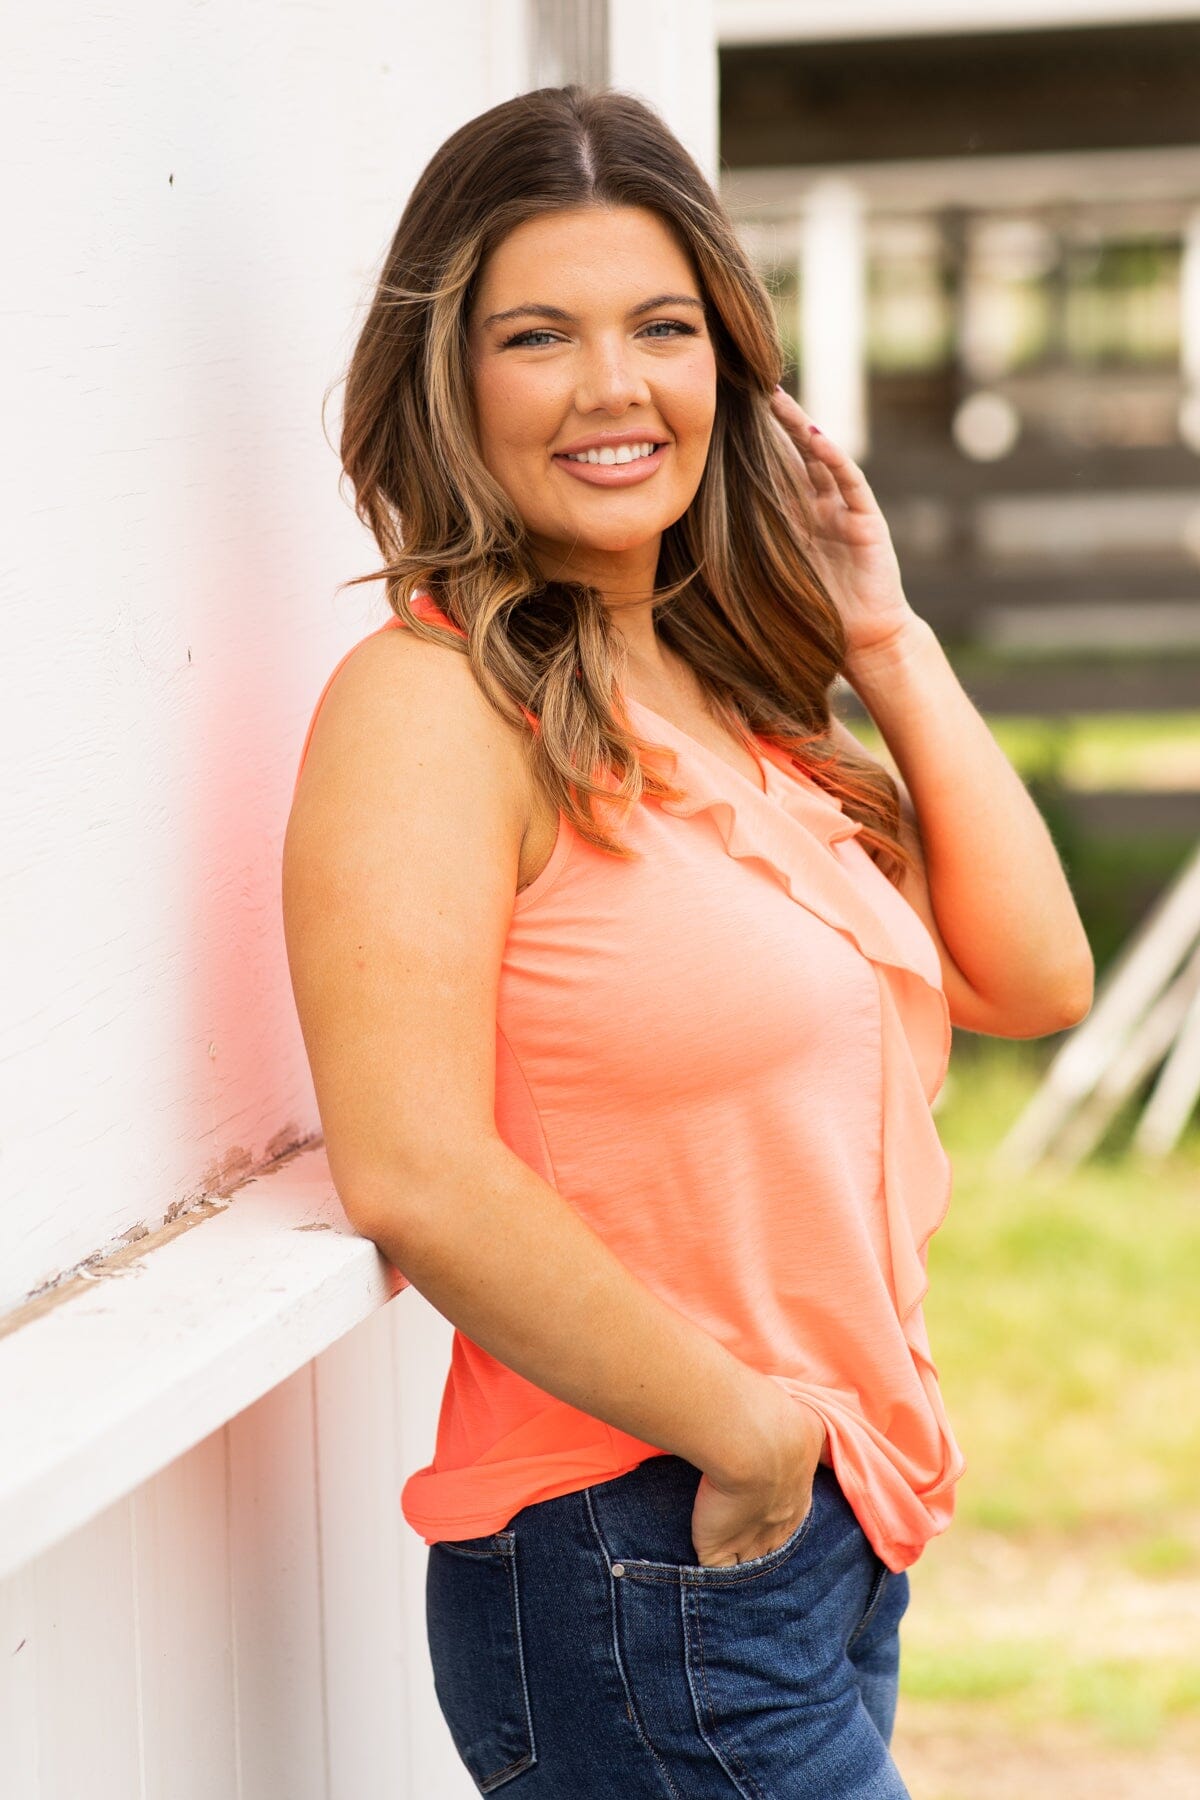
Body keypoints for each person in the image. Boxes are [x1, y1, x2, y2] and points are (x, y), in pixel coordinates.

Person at [282, 83, 1093, 1798]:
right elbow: (414, 1166)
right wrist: (741, 1424)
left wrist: (880, 631)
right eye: (536, 336)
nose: (612, 387)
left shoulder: (728, 710)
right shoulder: (427, 710)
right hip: (644, 1536)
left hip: (812, 1536)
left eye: (662, 326)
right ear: (451, 381)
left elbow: (1034, 978)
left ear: (732, 365)